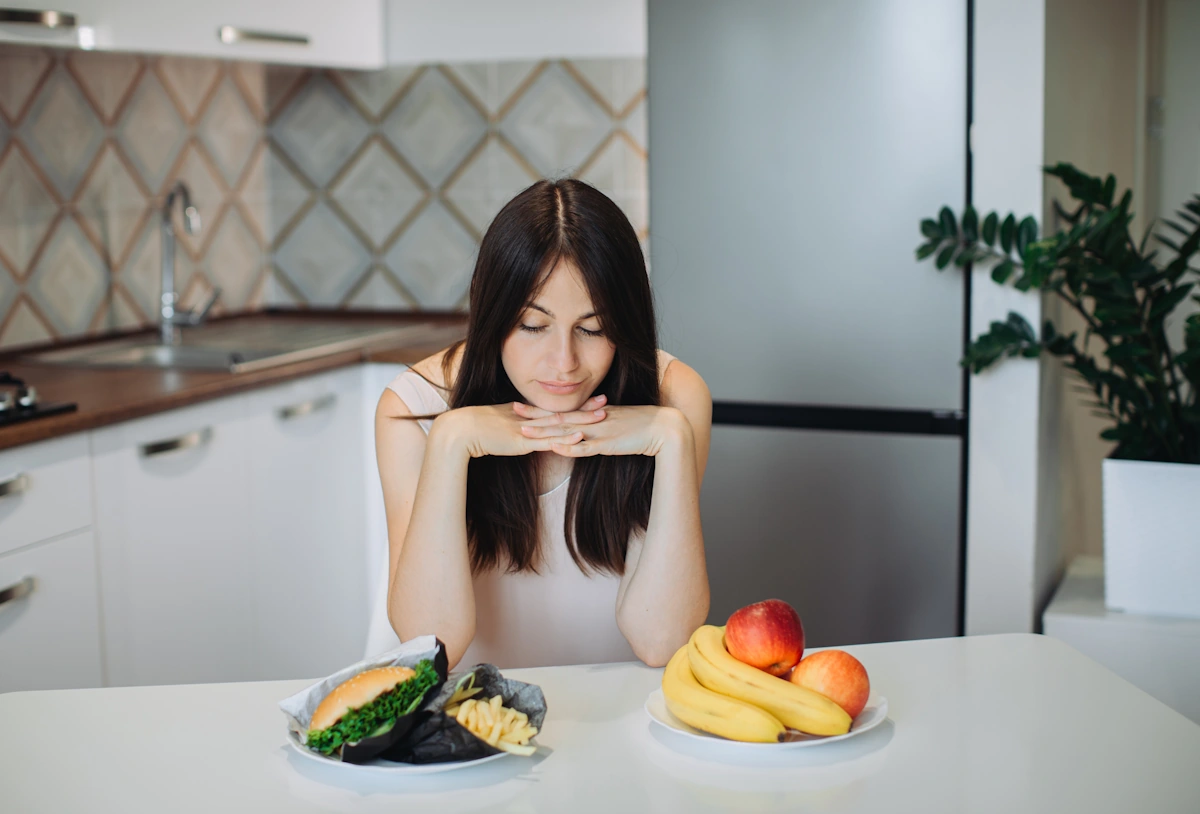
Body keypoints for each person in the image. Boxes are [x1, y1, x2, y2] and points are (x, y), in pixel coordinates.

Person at [374, 179, 711, 670]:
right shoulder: (414, 406)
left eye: (593, 329)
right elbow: (431, 642)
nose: (564, 362)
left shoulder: (672, 400)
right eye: (533, 326)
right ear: (492, 314)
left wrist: (673, 439)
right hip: (475, 728)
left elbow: (661, 641)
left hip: (619, 723)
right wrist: (451, 441)